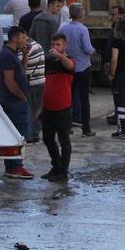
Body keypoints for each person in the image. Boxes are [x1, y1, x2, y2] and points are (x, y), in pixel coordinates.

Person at [0, 26, 34, 179]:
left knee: (17, 134)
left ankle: (13, 166)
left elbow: (21, 72)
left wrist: (25, 56)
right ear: (15, 38)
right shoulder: (7, 55)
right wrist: (22, 97)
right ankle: (15, 167)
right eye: (23, 37)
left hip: (15, 101)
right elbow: (9, 81)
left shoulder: (13, 54)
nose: (25, 40)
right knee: (18, 135)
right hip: (13, 102)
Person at [42, 33, 76, 181]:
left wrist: (60, 56)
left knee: (64, 141)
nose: (55, 48)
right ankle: (56, 166)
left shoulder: (67, 61)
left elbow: (70, 65)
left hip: (63, 109)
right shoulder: (49, 62)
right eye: (53, 45)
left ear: (64, 46)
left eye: (58, 45)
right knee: (48, 139)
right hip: (48, 108)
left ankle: (63, 171)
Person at [60, 3, 95, 136]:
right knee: (84, 98)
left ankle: (67, 126)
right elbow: (87, 48)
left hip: (69, 65)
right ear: (81, 14)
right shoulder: (83, 29)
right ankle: (86, 128)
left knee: (68, 97)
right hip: (83, 66)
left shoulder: (64, 28)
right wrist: (93, 50)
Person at [24, 30, 45, 144]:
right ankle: (36, 134)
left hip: (32, 83)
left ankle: (31, 135)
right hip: (41, 81)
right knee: (37, 110)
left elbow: (22, 66)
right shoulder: (38, 45)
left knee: (30, 110)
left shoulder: (27, 48)